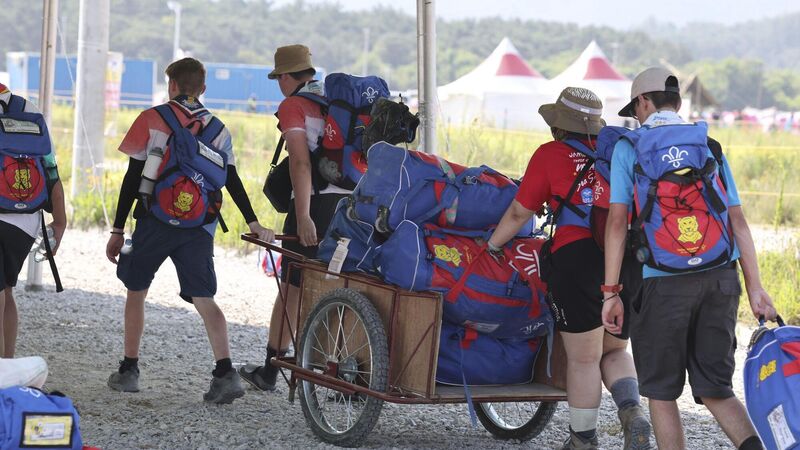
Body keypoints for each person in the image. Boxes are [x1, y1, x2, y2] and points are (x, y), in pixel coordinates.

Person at [602, 67, 777, 450]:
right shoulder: (707, 144)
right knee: (716, 389)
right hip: (720, 277)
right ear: (678, 102)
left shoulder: (629, 147)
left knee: (662, 393)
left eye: (636, 108)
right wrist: (756, 288)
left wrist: (611, 292)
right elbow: (737, 221)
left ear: (643, 102)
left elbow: (617, 224)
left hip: (660, 281)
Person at [488, 87, 651, 450]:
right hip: (625, 258)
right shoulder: (620, 151)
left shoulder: (550, 154)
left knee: (584, 359)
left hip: (577, 260)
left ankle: (583, 440)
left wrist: (493, 245)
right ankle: (633, 412)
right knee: (614, 351)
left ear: (559, 125)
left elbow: (519, 212)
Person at [105, 57, 274, 404]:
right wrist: (252, 221)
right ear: (203, 88)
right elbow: (231, 179)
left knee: (136, 290)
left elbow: (132, 178)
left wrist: (118, 228)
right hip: (199, 225)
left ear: (171, 85)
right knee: (204, 298)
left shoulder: (151, 118)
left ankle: (129, 370)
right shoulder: (219, 129)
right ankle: (225, 372)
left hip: (154, 221)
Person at [239, 45, 350, 391]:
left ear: (286, 76)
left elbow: (300, 163)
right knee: (338, 285)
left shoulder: (294, 105)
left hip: (315, 204)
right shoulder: (337, 102)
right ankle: (347, 373)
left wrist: (302, 216)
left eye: (278, 78)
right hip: (349, 206)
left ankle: (271, 370)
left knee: (292, 286)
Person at [0, 83, 67, 358]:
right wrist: (60, 222)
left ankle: (2, 373)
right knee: (6, 290)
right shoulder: (28, 109)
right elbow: (50, 169)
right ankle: (7, 364)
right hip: (25, 221)